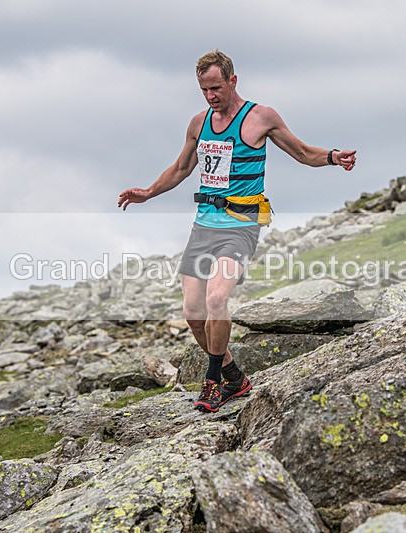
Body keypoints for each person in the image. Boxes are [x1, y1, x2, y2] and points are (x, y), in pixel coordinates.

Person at [118, 50, 356, 412]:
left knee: (217, 300)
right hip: (204, 227)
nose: (211, 95)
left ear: (232, 80)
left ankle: (212, 383)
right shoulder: (198, 123)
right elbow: (181, 168)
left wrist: (332, 156)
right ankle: (233, 377)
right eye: (203, 90)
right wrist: (149, 192)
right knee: (194, 311)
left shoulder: (260, 117)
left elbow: (302, 151)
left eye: (216, 87)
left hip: (241, 225)